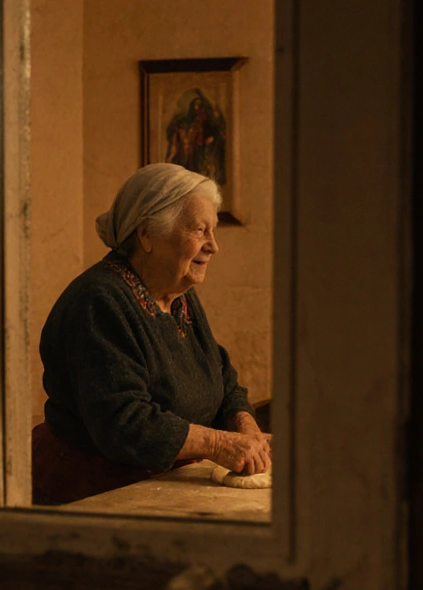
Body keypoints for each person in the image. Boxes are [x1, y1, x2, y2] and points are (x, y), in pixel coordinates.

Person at [33, 163, 270, 504]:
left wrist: (246, 428)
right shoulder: (99, 302)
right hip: (96, 487)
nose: (213, 246)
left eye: (213, 231)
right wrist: (219, 444)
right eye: (199, 230)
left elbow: (222, 379)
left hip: (166, 477)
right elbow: (125, 423)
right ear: (146, 235)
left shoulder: (179, 296)